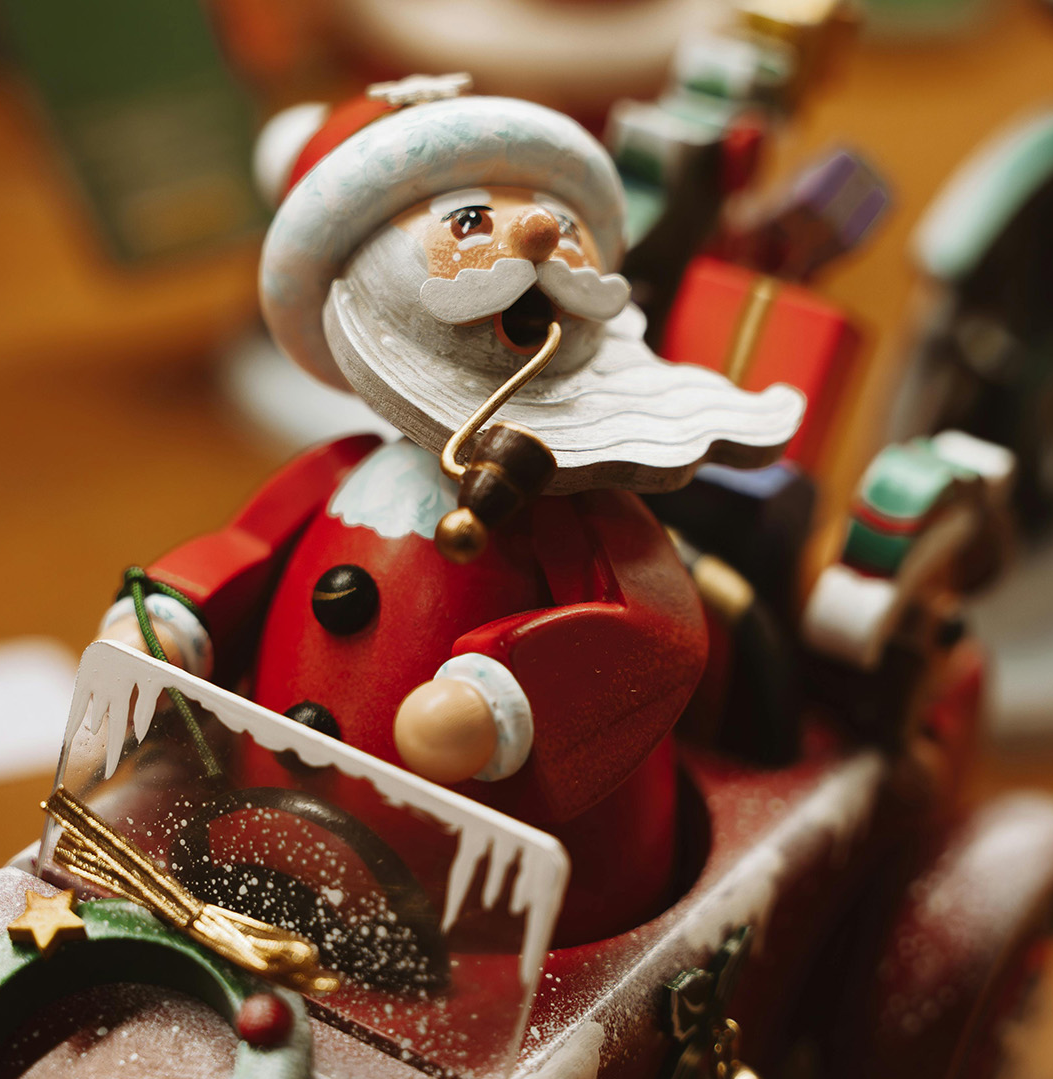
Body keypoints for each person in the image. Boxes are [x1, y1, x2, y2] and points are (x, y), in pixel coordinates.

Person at [101, 75, 803, 942]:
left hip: (499, 927)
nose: (537, 233)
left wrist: (502, 697)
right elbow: (247, 547)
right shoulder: (340, 472)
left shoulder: (579, 516)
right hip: (274, 863)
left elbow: (657, 629)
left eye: (564, 221)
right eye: (470, 220)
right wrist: (174, 618)